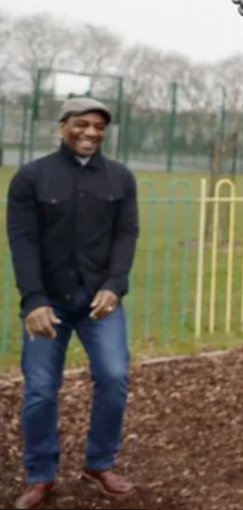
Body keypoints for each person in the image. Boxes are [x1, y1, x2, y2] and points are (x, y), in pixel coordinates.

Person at [7, 97, 137, 509]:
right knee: (41, 391)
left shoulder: (120, 178)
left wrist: (115, 286)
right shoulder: (31, 178)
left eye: (99, 126)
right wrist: (33, 300)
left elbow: (125, 236)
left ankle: (99, 463)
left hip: (101, 302)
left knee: (114, 378)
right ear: (61, 127)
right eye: (81, 124)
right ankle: (40, 474)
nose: (91, 133)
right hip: (49, 303)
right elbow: (22, 241)